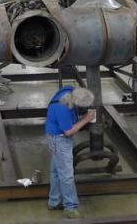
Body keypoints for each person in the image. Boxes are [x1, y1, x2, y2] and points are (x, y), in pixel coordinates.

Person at [45, 85, 96, 219]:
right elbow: (68, 131)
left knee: (57, 172)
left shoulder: (69, 90)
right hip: (60, 141)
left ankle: (54, 201)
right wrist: (86, 119)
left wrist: (82, 116)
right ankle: (70, 207)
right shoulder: (62, 108)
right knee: (67, 175)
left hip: (53, 138)